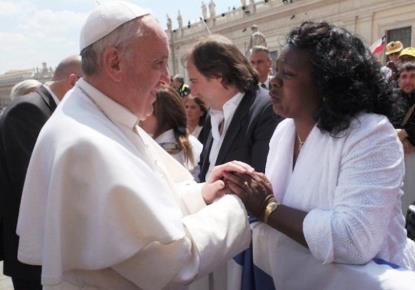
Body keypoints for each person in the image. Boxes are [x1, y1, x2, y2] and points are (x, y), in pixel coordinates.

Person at [16, 2, 251, 289]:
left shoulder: (103, 118)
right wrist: (238, 204)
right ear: (114, 62)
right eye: (158, 64)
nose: (167, 79)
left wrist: (203, 193)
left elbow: (150, 201)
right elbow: (172, 262)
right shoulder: (84, 144)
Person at [225, 21, 415, 289]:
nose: (273, 82)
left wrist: (267, 207)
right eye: (276, 72)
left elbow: (353, 240)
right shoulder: (284, 131)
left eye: (288, 75)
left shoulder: (371, 134)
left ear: (326, 84)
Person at [186, 34, 280, 290]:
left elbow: (261, 185)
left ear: (218, 75)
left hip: (245, 254)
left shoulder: (264, 110)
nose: (191, 91)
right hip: (215, 244)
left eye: (194, 81)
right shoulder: (215, 113)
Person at [0, 55, 81, 290]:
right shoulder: (28, 110)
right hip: (34, 257)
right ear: (73, 82)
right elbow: (34, 186)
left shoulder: (44, 108)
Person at [140, 86, 203, 177]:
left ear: (159, 115)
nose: (142, 116)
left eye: (147, 109)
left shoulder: (160, 150)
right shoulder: (191, 140)